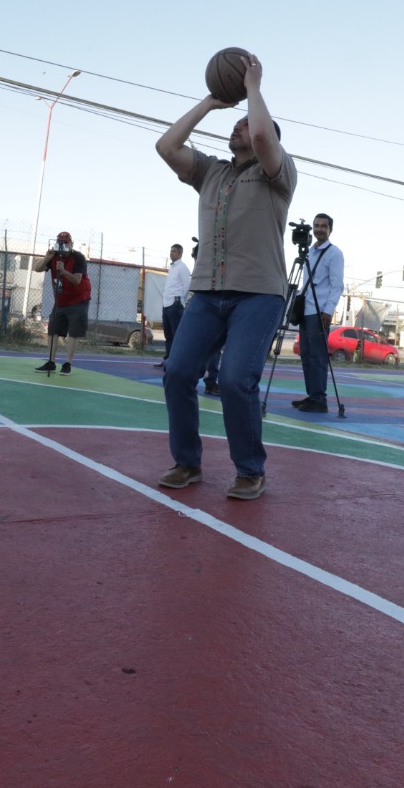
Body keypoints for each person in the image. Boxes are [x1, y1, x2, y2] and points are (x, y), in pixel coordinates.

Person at [154, 51, 296, 501]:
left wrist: (253, 86)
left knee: (236, 379)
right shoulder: (212, 172)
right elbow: (167, 146)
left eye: (246, 128)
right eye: (234, 126)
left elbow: (259, 129)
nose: (239, 129)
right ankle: (187, 462)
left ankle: (250, 469)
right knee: (177, 371)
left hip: (259, 295)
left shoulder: (278, 173)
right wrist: (210, 103)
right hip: (208, 293)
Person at [290, 213, 343, 413]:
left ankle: (319, 399)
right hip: (306, 310)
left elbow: (337, 285)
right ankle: (312, 395)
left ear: (330, 230)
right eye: (316, 225)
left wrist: (329, 311)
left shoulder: (334, 253)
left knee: (318, 357)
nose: (319, 229)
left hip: (320, 311)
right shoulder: (309, 253)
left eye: (323, 226)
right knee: (306, 355)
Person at [34, 230, 90, 376]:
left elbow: (77, 280)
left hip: (79, 299)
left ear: (71, 244)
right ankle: (51, 362)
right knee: (53, 331)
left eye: (65, 244)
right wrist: (47, 258)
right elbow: (37, 268)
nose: (62, 247)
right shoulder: (53, 257)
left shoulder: (78, 257)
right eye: (60, 243)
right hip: (61, 300)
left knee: (74, 333)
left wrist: (63, 271)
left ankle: (67, 363)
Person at [154, 243, 190, 370]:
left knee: (176, 335)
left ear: (180, 253)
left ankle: (176, 363)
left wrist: (180, 300)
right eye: (171, 251)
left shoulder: (182, 267)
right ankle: (167, 360)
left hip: (175, 305)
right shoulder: (173, 268)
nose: (171, 253)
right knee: (168, 335)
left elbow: (187, 286)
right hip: (167, 304)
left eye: (174, 251)